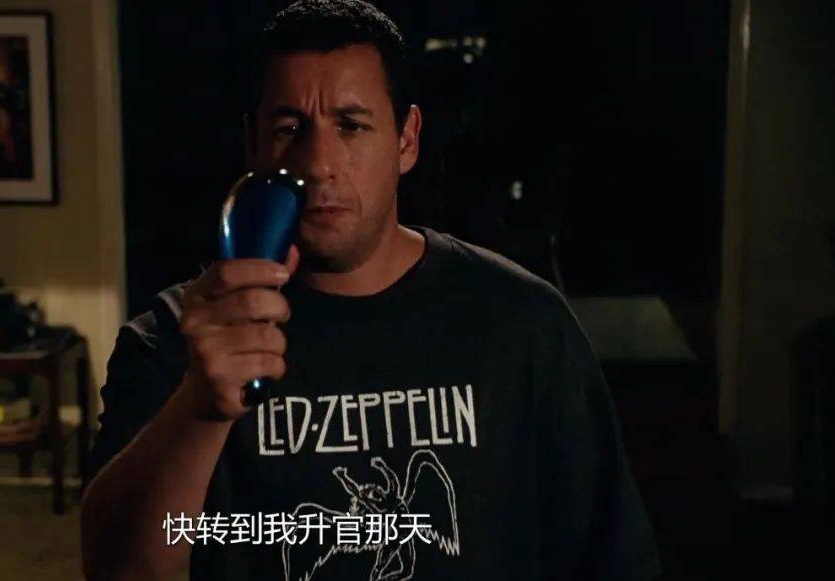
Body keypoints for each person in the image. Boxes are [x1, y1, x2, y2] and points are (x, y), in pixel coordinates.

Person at [81, 1, 661, 579]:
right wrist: (199, 408)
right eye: (289, 129)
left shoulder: (524, 324)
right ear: (253, 145)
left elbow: (612, 560)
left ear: (406, 140)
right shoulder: (177, 338)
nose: (318, 164)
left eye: (351, 126)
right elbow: (117, 570)